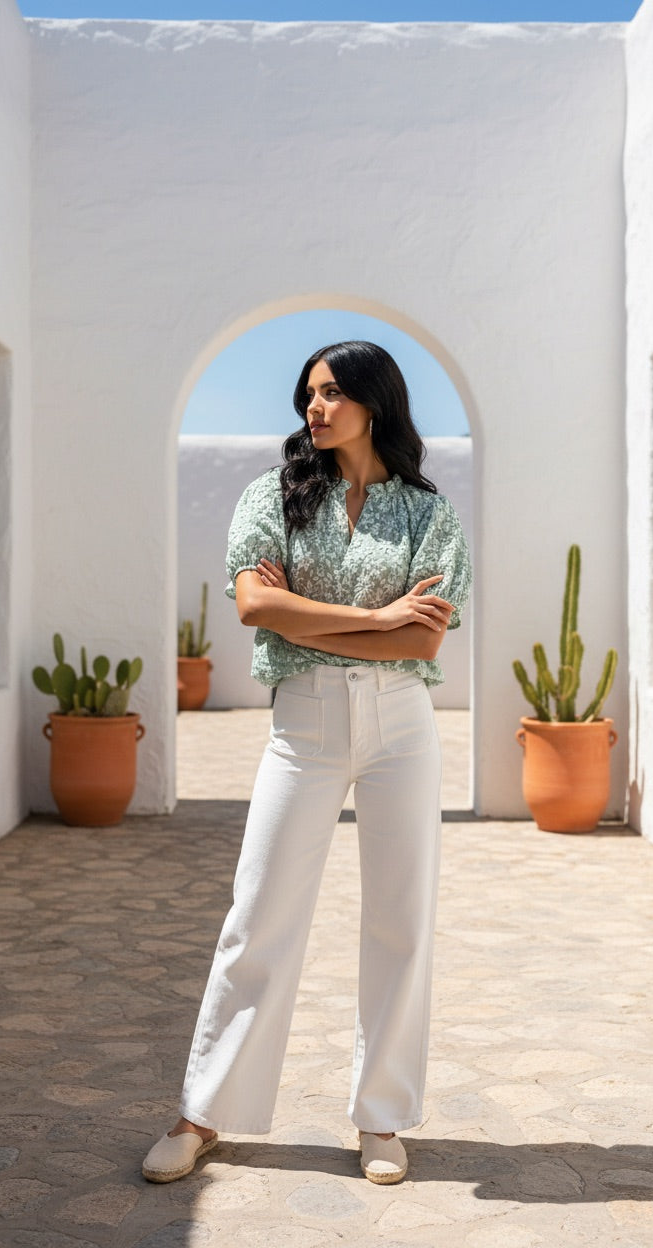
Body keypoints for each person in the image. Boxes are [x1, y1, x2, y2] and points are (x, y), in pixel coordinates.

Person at [143, 340, 471, 1186]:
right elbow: (255, 605)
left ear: (374, 402)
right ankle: (202, 1113)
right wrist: (376, 617)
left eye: (331, 394)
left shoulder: (429, 514)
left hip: (402, 724)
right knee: (259, 914)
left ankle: (382, 1117)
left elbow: (422, 640)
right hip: (305, 723)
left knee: (401, 918)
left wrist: (314, 617)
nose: (313, 409)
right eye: (308, 394)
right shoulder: (273, 495)